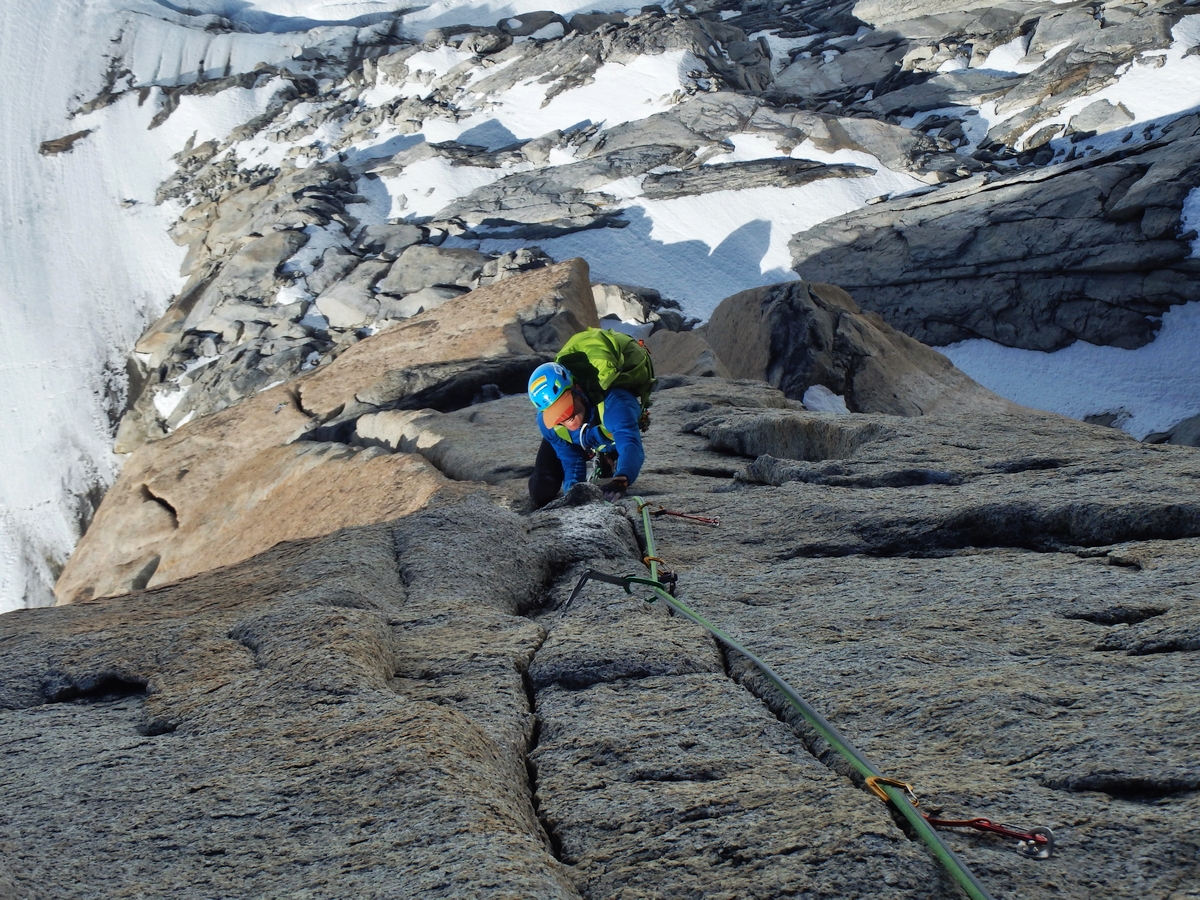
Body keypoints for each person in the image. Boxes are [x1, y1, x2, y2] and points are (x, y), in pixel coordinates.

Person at [527, 328, 654, 508]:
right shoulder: (551, 425)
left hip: (607, 427)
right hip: (592, 432)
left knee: (614, 444)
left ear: (577, 390)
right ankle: (604, 454)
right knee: (541, 491)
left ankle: (609, 455)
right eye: (557, 415)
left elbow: (630, 443)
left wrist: (621, 478)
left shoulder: (616, 404)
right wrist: (573, 493)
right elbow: (570, 459)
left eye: (566, 408)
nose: (564, 418)